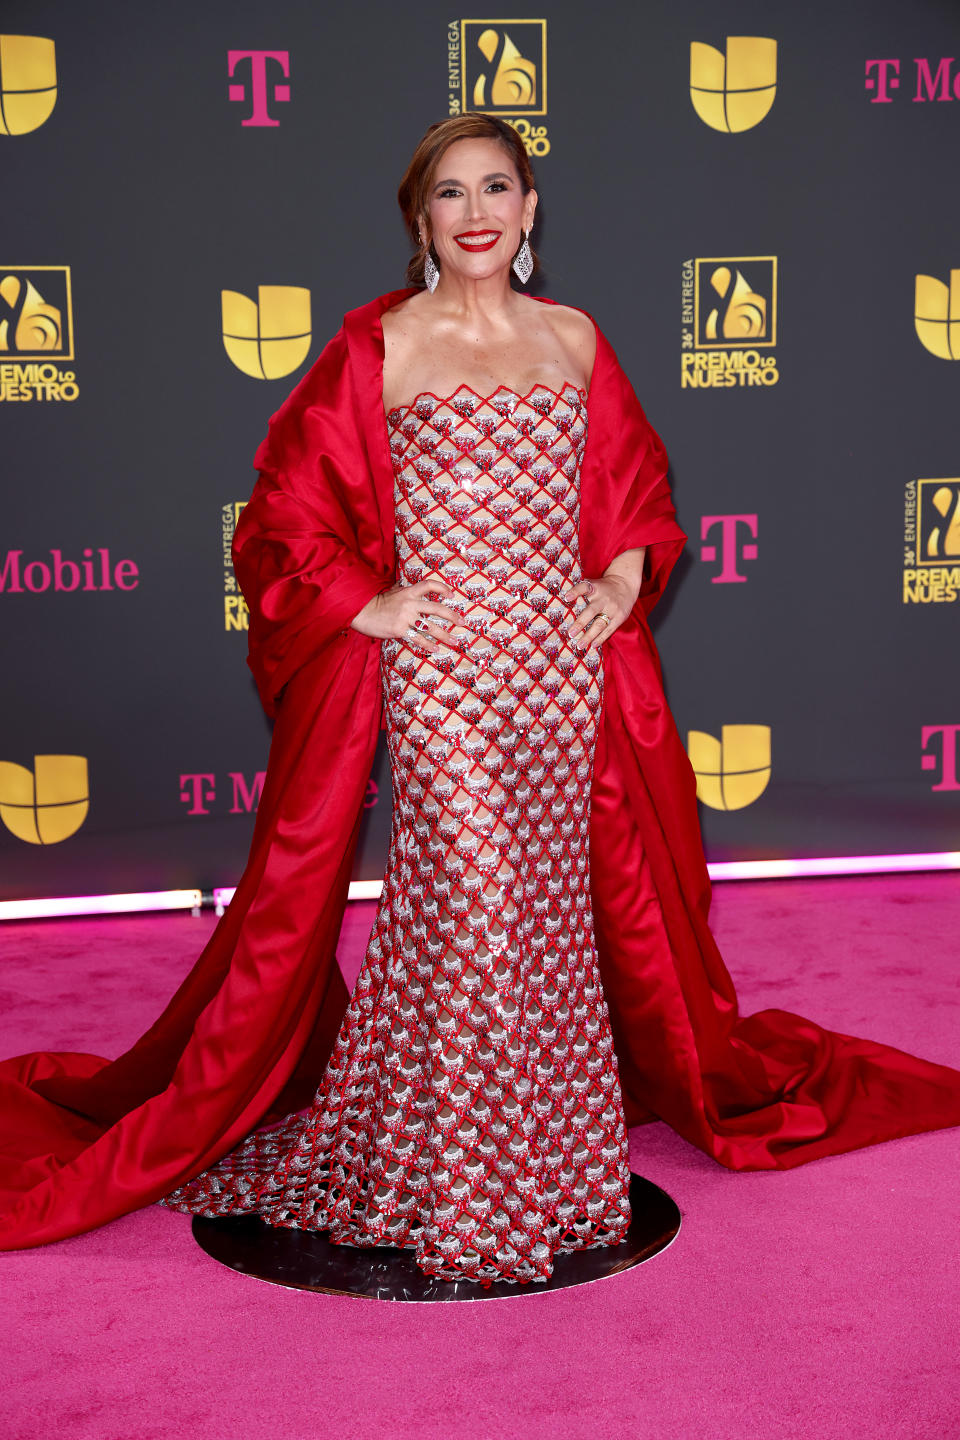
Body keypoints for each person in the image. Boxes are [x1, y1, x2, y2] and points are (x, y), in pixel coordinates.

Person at [2, 117, 959, 1284]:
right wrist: (369, 602)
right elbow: (281, 517)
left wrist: (618, 575)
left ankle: (521, 1157)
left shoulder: (575, 340)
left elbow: (637, 488)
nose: (475, 210)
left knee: (546, 920)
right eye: (450, 192)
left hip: (563, 673)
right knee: (477, 898)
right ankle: (465, 1187)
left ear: (531, 207)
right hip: (443, 675)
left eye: (496, 186)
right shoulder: (383, 348)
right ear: (421, 220)